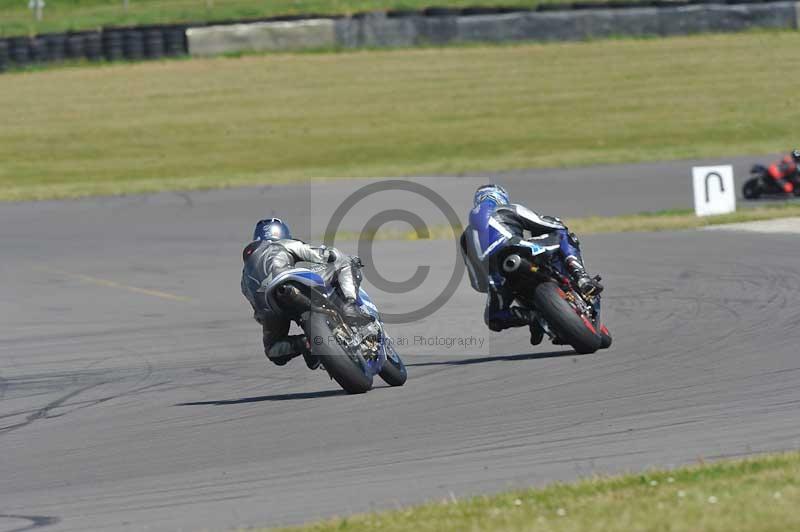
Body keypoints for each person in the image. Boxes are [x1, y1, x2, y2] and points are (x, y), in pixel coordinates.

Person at [459, 184, 603, 345]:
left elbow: (478, 283)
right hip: (522, 249)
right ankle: (581, 277)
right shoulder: (508, 209)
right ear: (501, 198)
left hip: (498, 276)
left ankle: (534, 317)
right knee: (562, 232)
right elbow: (551, 225)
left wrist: (496, 285)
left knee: (494, 318)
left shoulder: (465, 238)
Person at [240, 218, 372, 367]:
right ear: (282, 232)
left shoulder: (244, 277)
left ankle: (304, 343)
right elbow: (321, 255)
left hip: (271, 309)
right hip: (290, 285)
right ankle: (350, 305)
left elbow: (258, 312)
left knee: (273, 349)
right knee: (344, 262)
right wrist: (330, 254)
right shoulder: (283, 243)